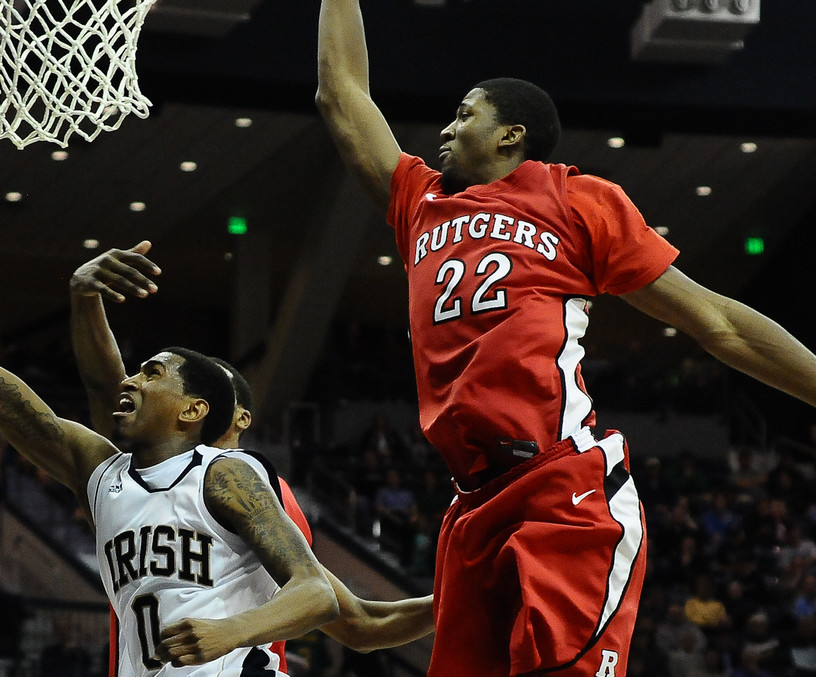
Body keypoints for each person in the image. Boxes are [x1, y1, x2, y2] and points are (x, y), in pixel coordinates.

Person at [314, 0, 816, 674]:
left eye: (465, 114)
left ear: (511, 135)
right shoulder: (419, 202)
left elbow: (716, 320)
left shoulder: (577, 200)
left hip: (560, 487)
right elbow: (341, 96)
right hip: (473, 504)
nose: (446, 129)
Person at [0, 136, 340, 674]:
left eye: (153, 373)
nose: (130, 379)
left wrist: (231, 632)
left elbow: (315, 592)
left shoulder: (224, 475)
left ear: (193, 410)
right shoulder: (101, 472)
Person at [68, 246, 435, 670]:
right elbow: (106, 391)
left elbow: (353, 619)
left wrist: (463, 596)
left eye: (214, 387)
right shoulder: (143, 474)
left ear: (234, 415)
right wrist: (85, 298)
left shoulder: (255, 487)